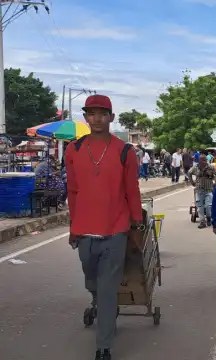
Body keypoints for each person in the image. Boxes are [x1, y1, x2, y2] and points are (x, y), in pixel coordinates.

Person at [65, 94, 143, 360]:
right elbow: (73, 191)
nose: (96, 118)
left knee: (108, 288)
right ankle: (100, 302)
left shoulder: (125, 151)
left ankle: (104, 346)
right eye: (91, 113)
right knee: (92, 281)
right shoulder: (73, 150)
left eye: (102, 113)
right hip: (84, 230)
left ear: (111, 117)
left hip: (115, 230)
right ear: (85, 117)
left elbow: (132, 191)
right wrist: (73, 227)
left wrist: (136, 226)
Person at [188, 156, 216, 229]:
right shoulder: (195, 167)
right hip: (199, 190)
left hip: (209, 190)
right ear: (199, 161)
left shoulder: (210, 167)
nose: (203, 162)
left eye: (204, 160)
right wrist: (192, 182)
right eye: (202, 160)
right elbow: (189, 173)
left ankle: (208, 217)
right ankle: (202, 222)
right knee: (200, 207)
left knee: (208, 206)